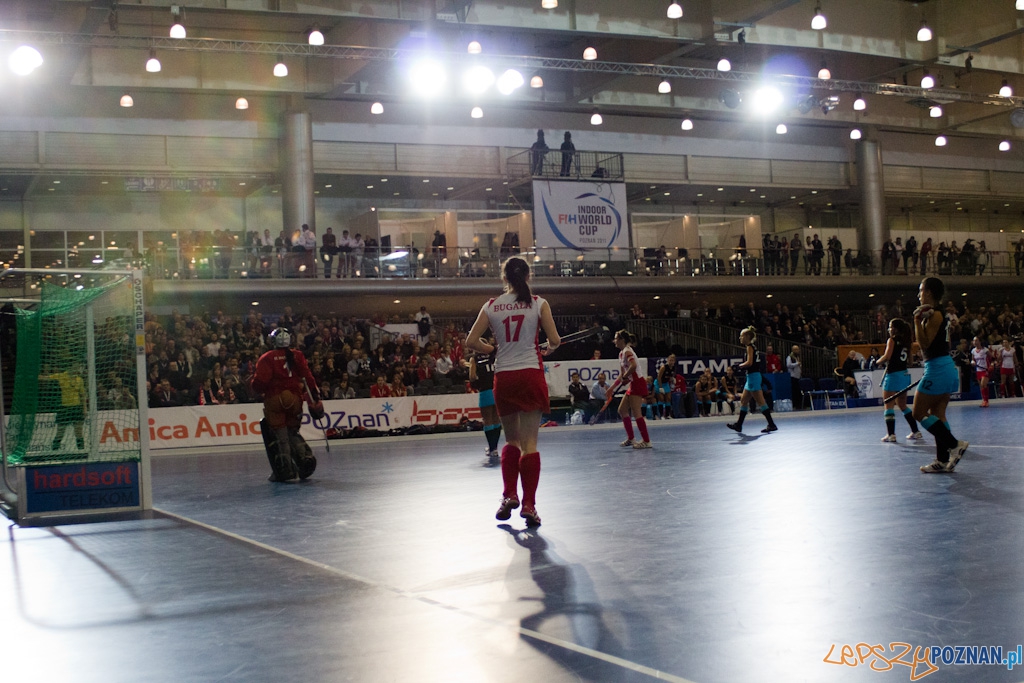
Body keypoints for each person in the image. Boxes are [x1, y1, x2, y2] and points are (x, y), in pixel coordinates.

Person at [466, 256, 559, 527]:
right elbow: (553, 340)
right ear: (528, 276)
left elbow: (472, 341)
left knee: (511, 442)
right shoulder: (539, 303)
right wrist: (550, 347)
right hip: (530, 374)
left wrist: (491, 349)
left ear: (504, 278)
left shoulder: (492, 305)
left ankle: (509, 496)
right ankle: (529, 504)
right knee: (530, 444)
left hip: (504, 376)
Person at [251, 328, 323, 482]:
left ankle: (286, 471)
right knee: (293, 432)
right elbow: (308, 377)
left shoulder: (267, 357)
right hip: (295, 400)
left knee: (281, 435)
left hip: (275, 400)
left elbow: (260, 383)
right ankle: (305, 459)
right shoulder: (297, 355)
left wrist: (254, 387)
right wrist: (314, 395)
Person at [913, 277, 969, 473]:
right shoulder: (938, 314)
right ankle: (941, 460)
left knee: (918, 413)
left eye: (921, 291)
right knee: (938, 415)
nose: (919, 294)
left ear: (928, 293)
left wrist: (916, 321)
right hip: (944, 368)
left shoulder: (935, 315)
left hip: (937, 369)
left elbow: (924, 344)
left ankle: (954, 445)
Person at [877, 318, 922, 443]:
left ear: (895, 328)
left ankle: (891, 434)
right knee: (902, 405)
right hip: (904, 375)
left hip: (893, 376)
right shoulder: (907, 341)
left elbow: (887, 356)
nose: (889, 329)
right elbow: (910, 361)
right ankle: (916, 431)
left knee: (889, 405)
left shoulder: (891, 340)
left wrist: (877, 361)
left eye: (890, 327)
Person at [605, 330, 651, 448]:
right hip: (633, 384)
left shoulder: (627, 351)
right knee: (622, 410)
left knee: (636, 413)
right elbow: (623, 375)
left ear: (621, 340)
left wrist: (626, 376)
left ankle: (646, 441)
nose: (614, 341)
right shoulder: (621, 354)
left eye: (616, 338)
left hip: (638, 383)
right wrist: (612, 388)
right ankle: (631, 438)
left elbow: (634, 366)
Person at [727, 327, 778, 433]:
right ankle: (739, 425)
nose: (740, 338)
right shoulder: (752, 347)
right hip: (751, 377)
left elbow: (749, 363)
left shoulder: (749, 347)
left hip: (753, 377)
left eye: (741, 336)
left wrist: (739, 366)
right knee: (744, 401)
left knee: (761, 402)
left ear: (747, 337)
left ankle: (772, 424)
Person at [469, 336, 501, 465]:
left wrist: (477, 384)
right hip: (497, 389)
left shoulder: (474, 359)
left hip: (485, 391)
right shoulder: (494, 355)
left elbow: (471, 377)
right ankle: (495, 449)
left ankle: (491, 448)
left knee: (488, 420)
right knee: (496, 419)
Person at [43, 363, 87, 452]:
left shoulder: (79, 380)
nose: (77, 369)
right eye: (75, 367)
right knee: (60, 433)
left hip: (76, 408)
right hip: (64, 408)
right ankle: (54, 452)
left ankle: (81, 451)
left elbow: (82, 395)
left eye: (78, 367)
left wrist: (84, 409)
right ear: (69, 367)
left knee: (78, 432)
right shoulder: (61, 376)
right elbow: (46, 378)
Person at [971, 336, 992, 407]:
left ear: (980, 341)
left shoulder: (985, 350)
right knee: (981, 386)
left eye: (976, 340)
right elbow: (973, 359)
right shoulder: (973, 351)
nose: (974, 342)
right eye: (974, 341)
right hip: (978, 370)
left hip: (985, 369)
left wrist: (992, 365)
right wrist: (972, 362)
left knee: (983, 384)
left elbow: (992, 358)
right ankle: (984, 400)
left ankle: (986, 401)